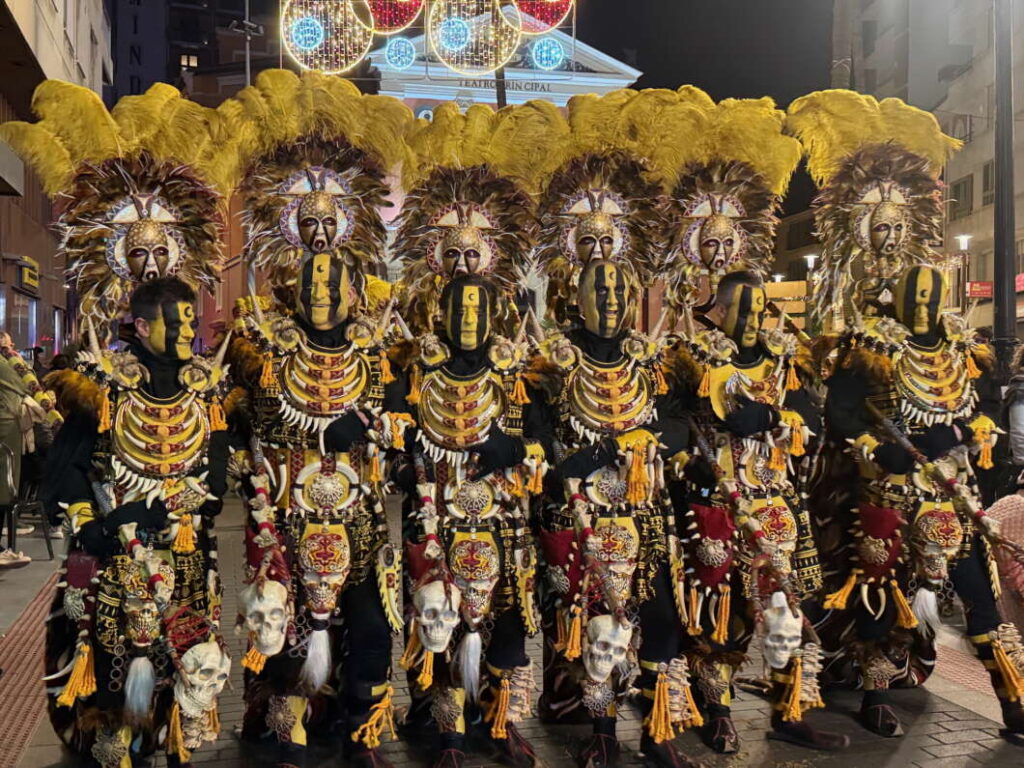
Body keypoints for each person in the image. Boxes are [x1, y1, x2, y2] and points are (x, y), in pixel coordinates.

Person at [2, 80, 236, 768]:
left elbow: (216, 466)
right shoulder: (98, 375)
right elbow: (70, 473)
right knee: (109, 665)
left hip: (186, 553)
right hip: (113, 557)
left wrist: (195, 501)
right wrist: (96, 524)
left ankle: (170, 737)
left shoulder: (203, 382)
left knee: (184, 658)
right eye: (140, 256)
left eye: (163, 257)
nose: (153, 265)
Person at [224, 70, 412, 768]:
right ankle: (286, 722)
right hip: (287, 513)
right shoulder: (264, 341)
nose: (325, 292)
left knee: (369, 621)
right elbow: (244, 418)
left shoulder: (377, 345)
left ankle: (361, 717)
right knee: (283, 620)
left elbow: (398, 422)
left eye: (338, 279)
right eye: (313, 277)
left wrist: (377, 435)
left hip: (358, 521)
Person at [527, 93, 703, 768]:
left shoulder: (646, 357)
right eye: (595, 292)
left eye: (617, 293)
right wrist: (587, 457)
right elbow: (539, 445)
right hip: (579, 518)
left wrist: (657, 444)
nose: (607, 302)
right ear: (574, 293)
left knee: (660, 619)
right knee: (593, 624)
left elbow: (684, 423)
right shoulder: (552, 362)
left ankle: (660, 730)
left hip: (643, 515)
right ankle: (601, 735)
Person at [390, 109, 547, 768]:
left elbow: (544, 433)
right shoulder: (416, 362)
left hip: (503, 521)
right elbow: (393, 431)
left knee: (505, 623)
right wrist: (409, 463)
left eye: (481, 311)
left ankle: (499, 720)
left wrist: (523, 449)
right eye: (460, 310)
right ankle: (444, 724)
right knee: (438, 619)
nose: (470, 320)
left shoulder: (517, 364)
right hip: (437, 517)